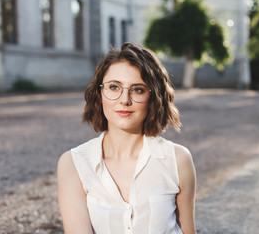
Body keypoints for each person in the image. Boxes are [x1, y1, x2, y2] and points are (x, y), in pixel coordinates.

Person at [57, 42, 196, 234]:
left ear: (154, 97)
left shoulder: (178, 160)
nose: (124, 100)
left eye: (138, 89)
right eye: (114, 87)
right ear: (100, 93)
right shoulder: (74, 164)